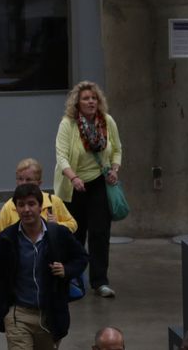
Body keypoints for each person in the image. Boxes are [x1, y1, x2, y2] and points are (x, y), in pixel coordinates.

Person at [0, 183, 89, 350]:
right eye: (21, 205)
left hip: (50, 314)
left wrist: (67, 270)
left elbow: (81, 257)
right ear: (16, 208)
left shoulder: (58, 234)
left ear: (41, 206)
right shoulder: (6, 239)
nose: (26, 209)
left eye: (31, 204)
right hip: (18, 315)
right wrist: (3, 309)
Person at [54, 81, 121, 299]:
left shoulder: (107, 121)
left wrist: (115, 169)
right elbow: (61, 155)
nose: (91, 101)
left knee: (100, 234)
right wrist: (73, 177)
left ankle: (100, 281)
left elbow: (117, 150)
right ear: (77, 103)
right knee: (75, 233)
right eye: (86, 98)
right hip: (73, 185)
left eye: (94, 98)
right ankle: (73, 276)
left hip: (99, 182)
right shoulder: (68, 124)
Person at [0, 159, 78, 237]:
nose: (23, 183)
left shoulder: (53, 201)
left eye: (28, 180)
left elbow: (73, 225)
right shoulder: (8, 207)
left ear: (39, 183)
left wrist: (58, 225)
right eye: (20, 179)